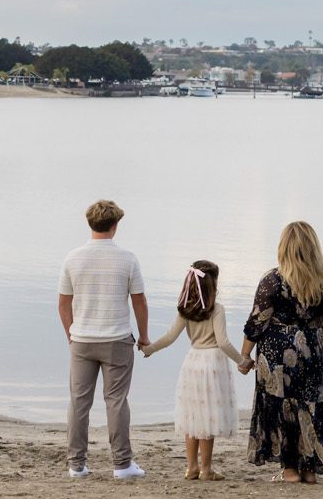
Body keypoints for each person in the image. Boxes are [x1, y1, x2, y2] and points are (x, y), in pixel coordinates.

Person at [242, 221, 323, 484]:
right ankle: (310, 469)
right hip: (314, 349)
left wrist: (244, 356)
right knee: (313, 405)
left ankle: (289, 470)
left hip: (277, 353)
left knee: (282, 406)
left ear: (283, 247)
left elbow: (257, 321)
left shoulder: (272, 279)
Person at [57, 199, 150, 481]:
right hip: (117, 339)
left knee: (78, 402)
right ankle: (122, 465)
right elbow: (139, 303)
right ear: (116, 225)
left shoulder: (72, 257)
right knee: (117, 401)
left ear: (90, 224)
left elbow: (63, 304)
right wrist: (144, 336)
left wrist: (71, 335)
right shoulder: (128, 258)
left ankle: (77, 465)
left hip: (82, 340)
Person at [142, 260, 249, 481]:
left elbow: (170, 337)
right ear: (213, 284)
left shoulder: (185, 309)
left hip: (192, 363)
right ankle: (206, 469)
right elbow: (223, 342)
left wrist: (150, 349)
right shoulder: (216, 309)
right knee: (208, 418)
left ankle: (191, 467)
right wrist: (242, 361)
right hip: (212, 365)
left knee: (193, 417)